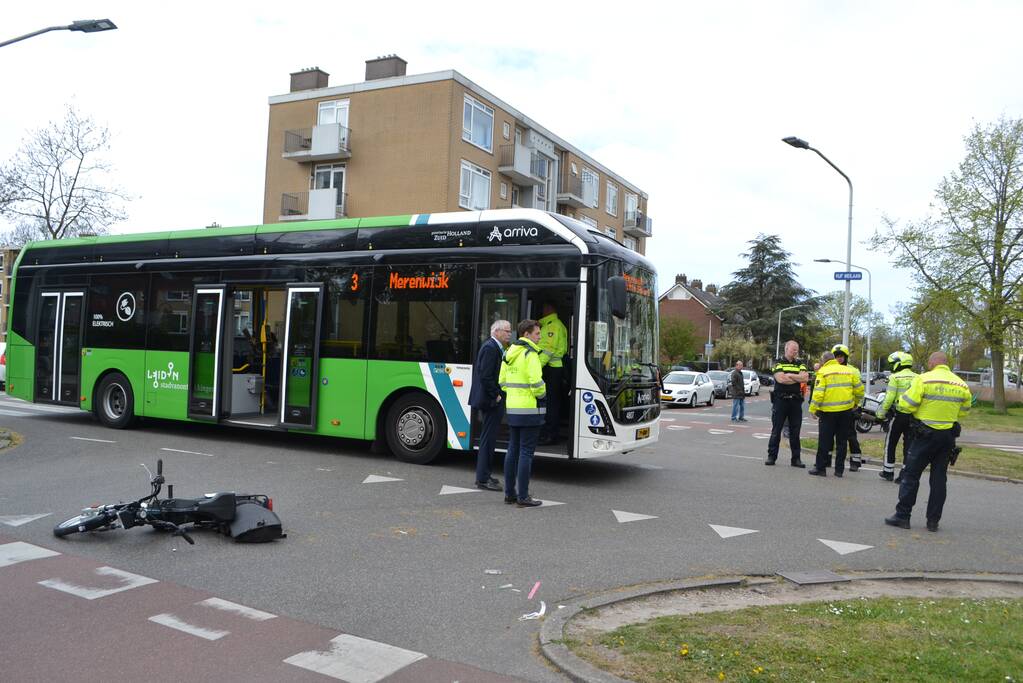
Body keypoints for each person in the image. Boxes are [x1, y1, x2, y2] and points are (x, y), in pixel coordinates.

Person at [885, 351, 971, 532]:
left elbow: (906, 404)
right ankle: (933, 521)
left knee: (910, 475)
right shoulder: (961, 384)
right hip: (947, 437)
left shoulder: (923, 379)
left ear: (932, 363)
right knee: (939, 480)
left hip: (925, 435)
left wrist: (905, 404)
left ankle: (903, 516)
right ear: (946, 363)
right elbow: (964, 410)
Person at [499, 319, 547, 507]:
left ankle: (510, 494)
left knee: (513, 450)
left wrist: (514, 394)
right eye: (537, 334)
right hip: (530, 410)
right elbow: (536, 383)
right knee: (526, 453)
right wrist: (543, 393)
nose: (539, 337)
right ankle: (523, 496)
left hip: (513, 408)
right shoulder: (530, 354)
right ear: (526, 334)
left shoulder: (509, 353)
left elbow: (502, 381)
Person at [468, 320, 513, 491]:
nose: (509, 334)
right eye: (507, 331)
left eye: (510, 331)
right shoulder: (490, 348)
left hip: (491, 399)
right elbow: (485, 375)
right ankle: (482, 479)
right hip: (490, 400)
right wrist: (497, 395)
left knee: (490, 438)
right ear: (496, 331)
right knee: (487, 439)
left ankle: (485, 475)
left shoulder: (496, 347)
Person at [808, 348, 864, 477]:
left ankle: (821, 468)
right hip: (845, 412)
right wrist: (855, 402)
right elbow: (860, 390)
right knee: (842, 442)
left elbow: (818, 393)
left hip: (828, 413)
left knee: (824, 441)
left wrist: (813, 409)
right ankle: (839, 470)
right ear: (833, 359)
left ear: (823, 361)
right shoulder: (849, 371)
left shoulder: (822, 372)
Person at [876, 351, 918, 482]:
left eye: (892, 364)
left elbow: (889, 399)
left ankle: (888, 472)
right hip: (913, 417)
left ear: (898, 363)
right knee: (909, 446)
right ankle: (904, 475)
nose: (891, 366)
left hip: (898, 415)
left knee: (891, 443)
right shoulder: (918, 378)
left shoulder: (895, 377)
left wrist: (880, 414)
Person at [766, 340, 808, 467]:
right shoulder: (778, 362)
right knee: (776, 429)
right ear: (786, 349)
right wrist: (795, 378)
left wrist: (789, 375)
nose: (796, 351)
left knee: (795, 431)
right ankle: (771, 457)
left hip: (795, 401)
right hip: (781, 400)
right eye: (793, 349)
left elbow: (805, 378)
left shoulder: (800, 363)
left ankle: (796, 459)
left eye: (797, 349)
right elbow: (780, 379)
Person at [537, 301, 568, 445]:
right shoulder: (555, 324)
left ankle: (549, 434)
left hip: (551, 368)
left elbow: (547, 349)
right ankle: (550, 432)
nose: (542, 311)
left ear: (549, 308)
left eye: (543, 308)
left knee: (550, 404)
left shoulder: (552, 326)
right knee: (552, 403)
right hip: (554, 368)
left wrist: (536, 367)